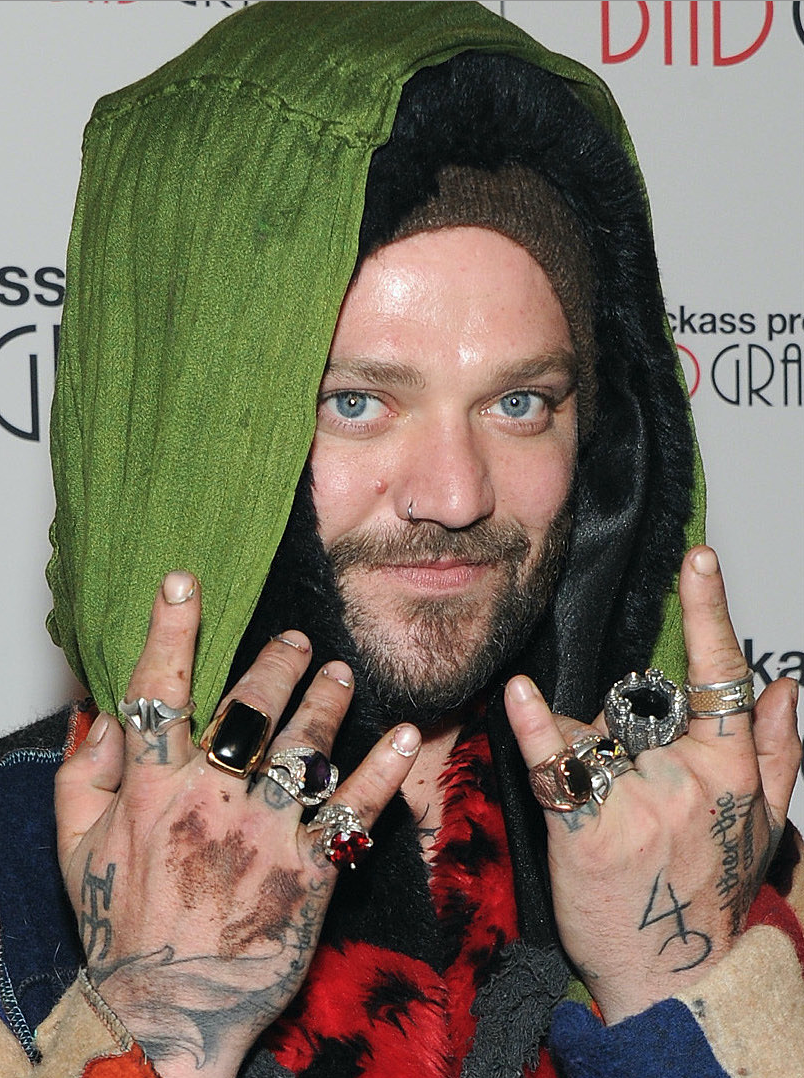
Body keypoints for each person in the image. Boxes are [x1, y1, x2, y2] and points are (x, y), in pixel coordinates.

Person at [0, 4, 802, 1077]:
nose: (457, 494)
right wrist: (161, 1031)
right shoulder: (16, 901)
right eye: (359, 403)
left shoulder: (718, 864)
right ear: (189, 444)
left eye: (520, 403)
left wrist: (675, 995)